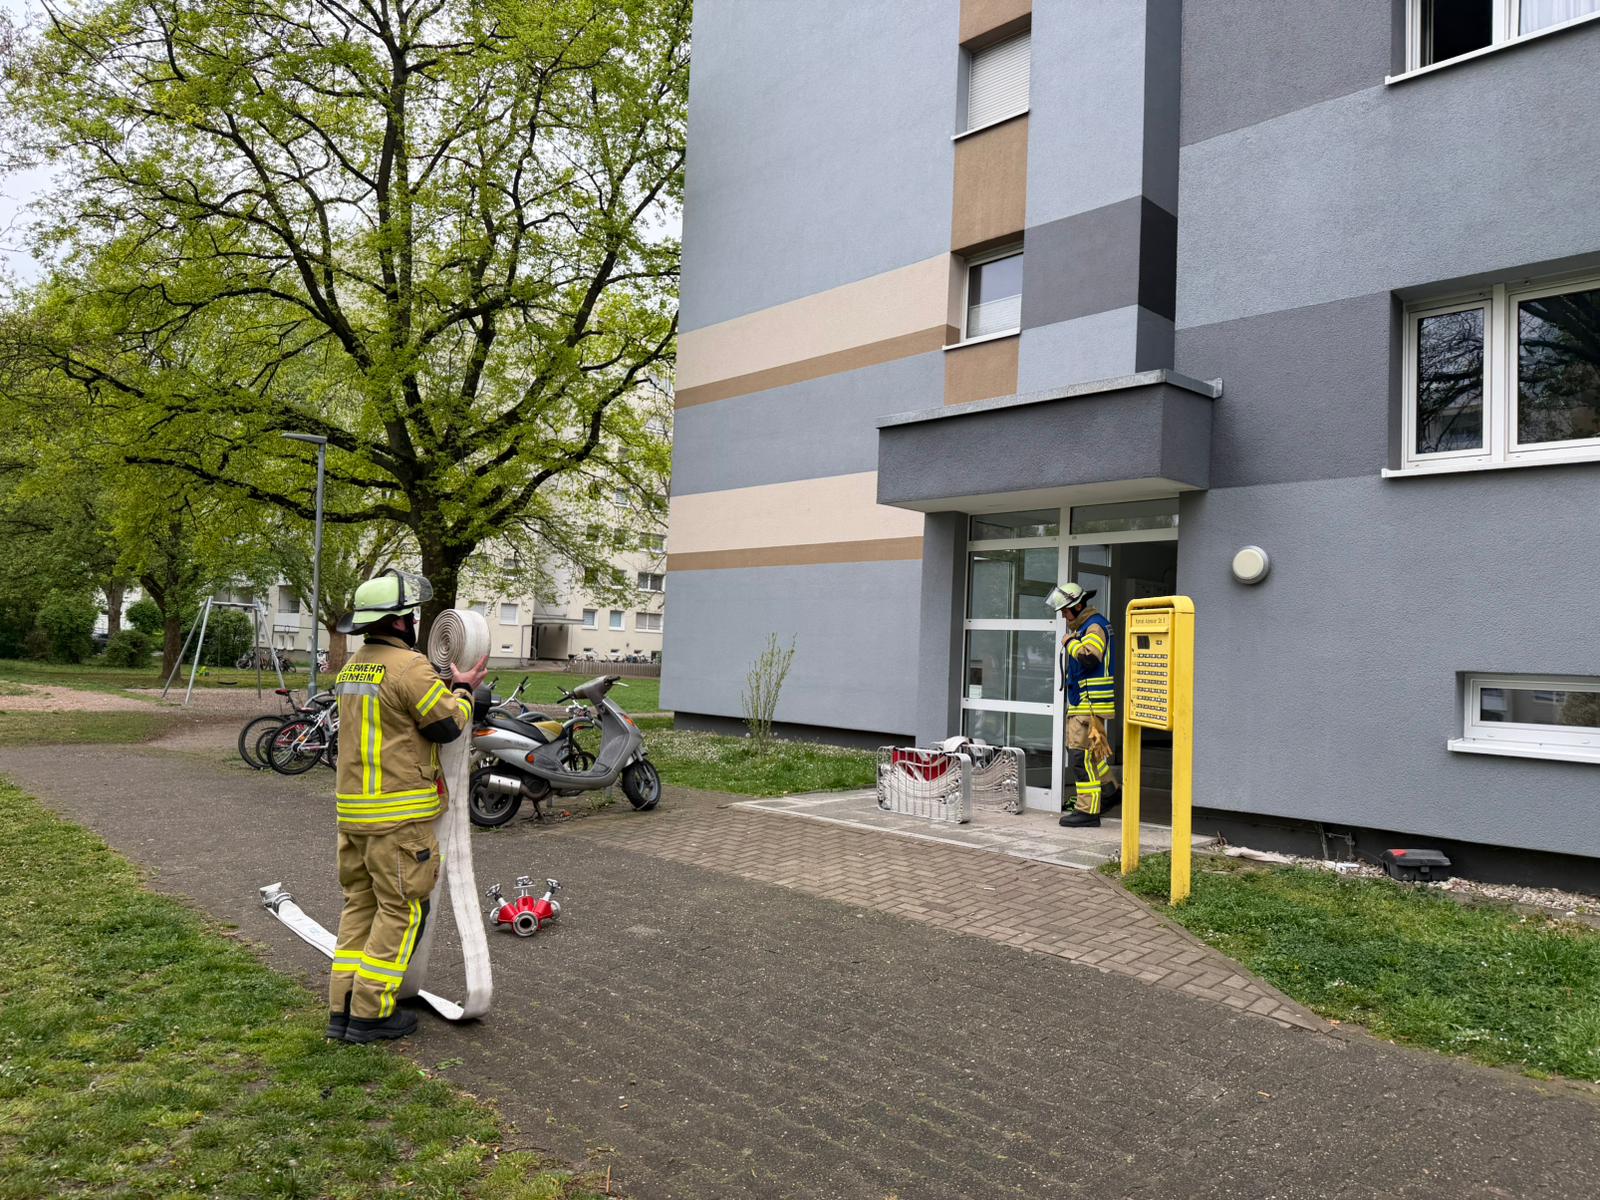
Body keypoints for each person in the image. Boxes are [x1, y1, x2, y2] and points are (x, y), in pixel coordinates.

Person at [324, 568, 488, 1043]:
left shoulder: (353, 667)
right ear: (399, 621)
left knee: (360, 907)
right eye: (411, 616)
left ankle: (342, 1010)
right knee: (402, 911)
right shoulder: (409, 667)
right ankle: (371, 1014)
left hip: (354, 815)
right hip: (397, 820)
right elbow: (446, 726)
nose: (415, 623)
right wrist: (464, 690)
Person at [1046, 581, 1117, 828]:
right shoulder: (1090, 625)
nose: (1063, 616)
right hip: (1087, 703)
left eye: (1065, 611)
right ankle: (1110, 790)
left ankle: (1087, 811)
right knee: (1094, 754)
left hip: (1088, 704)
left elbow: (1089, 658)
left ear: (1077, 607)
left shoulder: (1093, 626)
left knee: (1079, 756)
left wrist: (1069, 642)